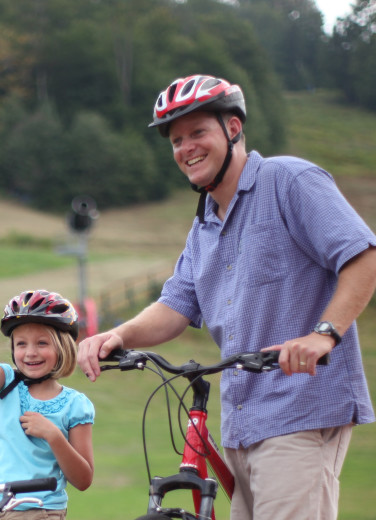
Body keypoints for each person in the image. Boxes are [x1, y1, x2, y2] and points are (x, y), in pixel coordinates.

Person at [78, 74, 376, 520]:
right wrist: (118, 335)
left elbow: (363, 257)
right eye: (176, 140)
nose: (186, 148)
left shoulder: (288, 180)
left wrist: (323, 335)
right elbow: (175, 307)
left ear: (233, 128)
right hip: (240, 424)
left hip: (301, 412)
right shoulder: (203, 227)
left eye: (198, 132)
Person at [0, 289, 95, 519]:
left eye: (42, 343)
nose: (30, 352)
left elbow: (83, 479)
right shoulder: (5, 383)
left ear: (63, 346)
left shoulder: (75, 405)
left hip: (36, 511)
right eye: (21, 344)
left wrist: (54, 436)